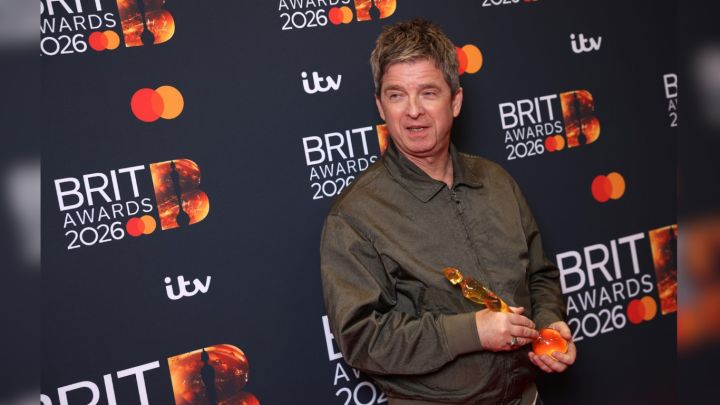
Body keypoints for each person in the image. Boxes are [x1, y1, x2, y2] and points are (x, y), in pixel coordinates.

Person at [320, 18, 576, 404]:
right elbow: (362, 339)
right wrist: (472, 332)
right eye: (396, 95)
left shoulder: (496, 181)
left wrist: (549, 323)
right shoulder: (355, 216)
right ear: (380, 106)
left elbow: (539, 276)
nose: (413, 111)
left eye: (428, 93)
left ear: (455, 101)